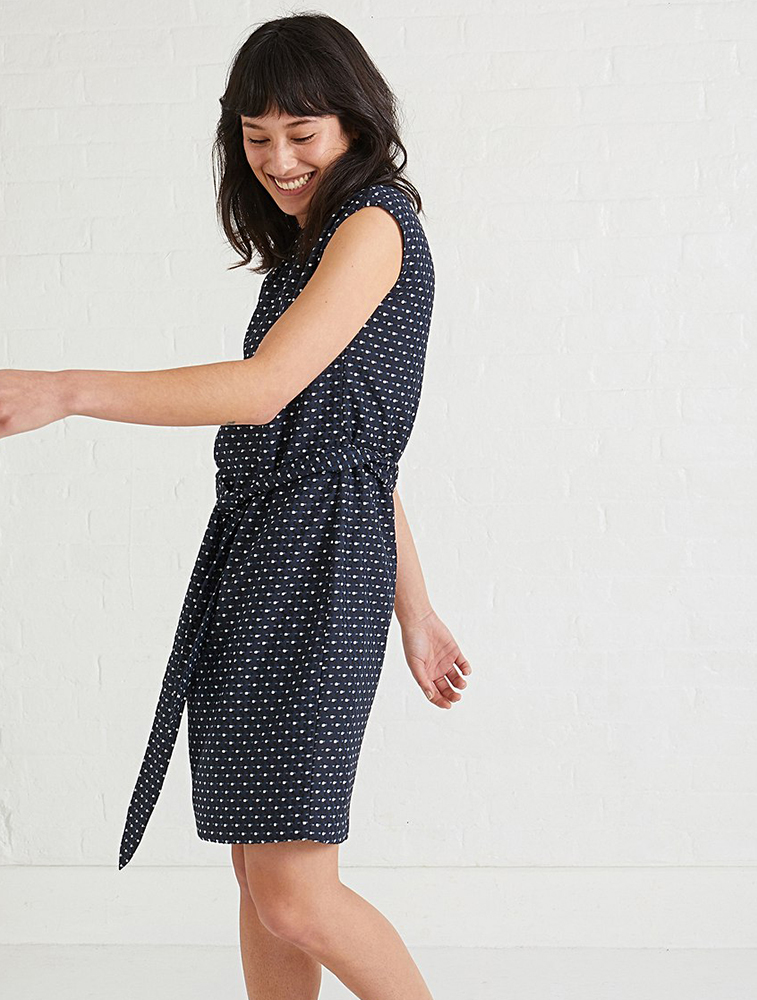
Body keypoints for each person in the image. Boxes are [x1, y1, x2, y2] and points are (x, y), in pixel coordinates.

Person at [0, 13, 472, 1000]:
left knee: (297, 893)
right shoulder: (310, 246)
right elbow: (353, 447)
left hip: (316, 562)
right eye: (257, 138)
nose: (279, 161)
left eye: (303, 135)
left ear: (355, 124)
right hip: (270, 555)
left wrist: (68, 388)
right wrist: (418, 611)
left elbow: (266, 394)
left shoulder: (374, 224)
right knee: (261, 880)